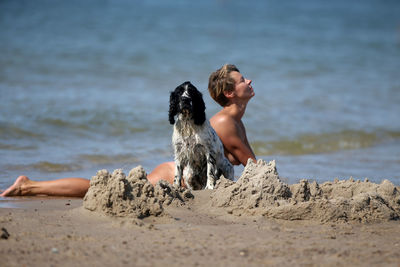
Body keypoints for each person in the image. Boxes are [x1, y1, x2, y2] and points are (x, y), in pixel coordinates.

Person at [1, 64, 256, 197]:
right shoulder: (225, 123)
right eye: (243, 80)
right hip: (172, 177)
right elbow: (256, 169)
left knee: (106, 186)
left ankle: (31, 186)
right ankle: (29, 186)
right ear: (230, 93)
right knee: (102, 187)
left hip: (184, 175)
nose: (249, 81)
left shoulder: (235, 120)